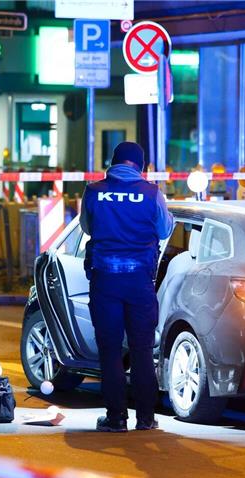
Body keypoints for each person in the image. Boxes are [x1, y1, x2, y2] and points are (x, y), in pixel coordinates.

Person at [81, 142, 174, 432]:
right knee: (142, 350)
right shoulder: (152, 193)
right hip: (139, 282)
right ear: (140, 165)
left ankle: (116, 417)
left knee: (109, 351)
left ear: (114, 161)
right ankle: (146, 418)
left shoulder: (94, 191)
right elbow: (164, 230)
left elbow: (86, 227)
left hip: (105, 280)